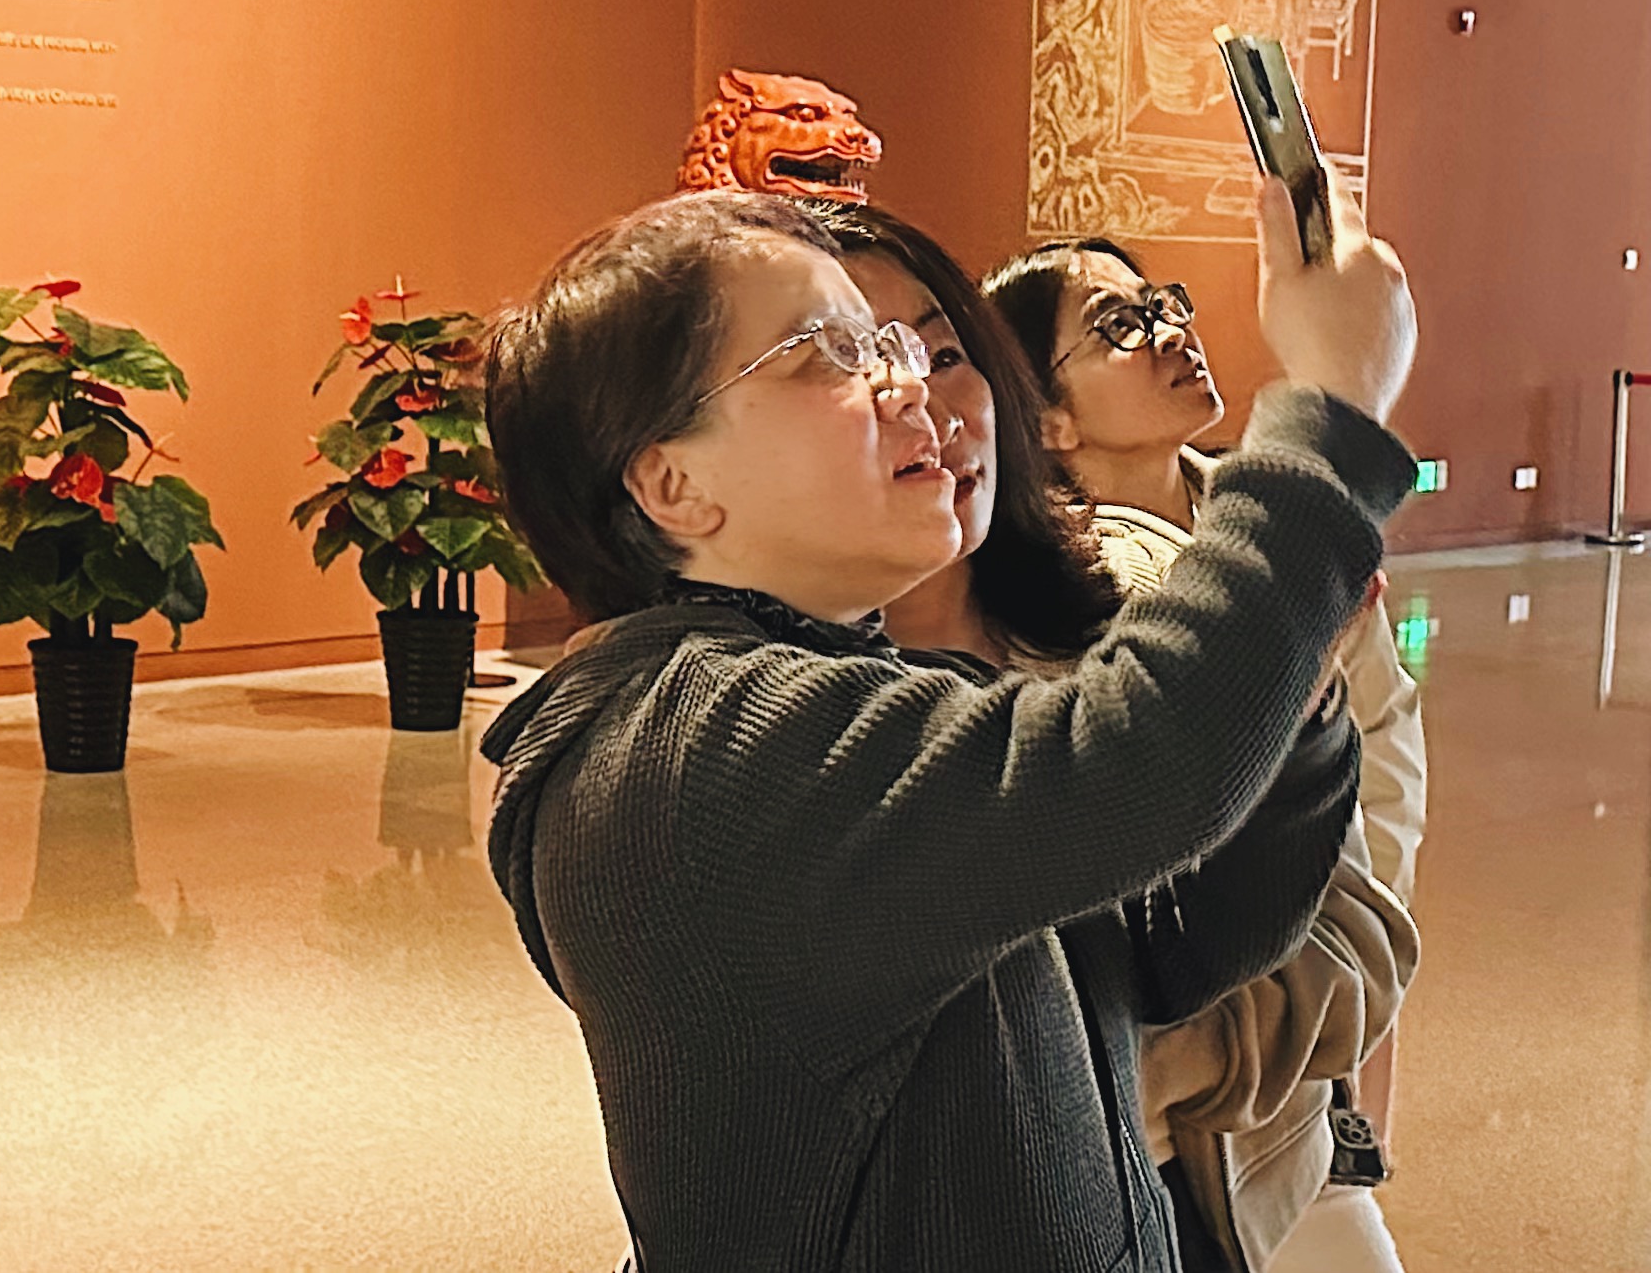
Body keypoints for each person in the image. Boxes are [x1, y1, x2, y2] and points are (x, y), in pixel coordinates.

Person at [478, 177, 1418, 1270]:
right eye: (827, 354)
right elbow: (1135, 760)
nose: (908, 384)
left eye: (903, 346)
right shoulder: (699, 743)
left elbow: (1165, 956)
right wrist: (1328, 406)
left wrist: (1293, 703)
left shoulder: (840, 681)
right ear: (672, 483)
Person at [987, 238, 1428, 1272]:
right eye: (1118, 326)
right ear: (1045, 419)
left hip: (1315, 1037)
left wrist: (1359, 972)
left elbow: (1386, 749)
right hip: (1208, 1106)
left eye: (1162, 304)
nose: (1169, 332)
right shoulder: (1053, 587)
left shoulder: (1274, 515)